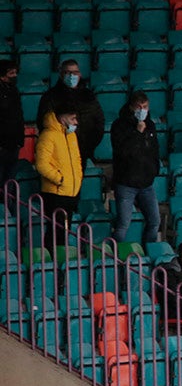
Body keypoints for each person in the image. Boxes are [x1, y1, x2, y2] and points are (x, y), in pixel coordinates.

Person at [110, 91, 160, 243]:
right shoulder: (119, 125)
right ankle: (113, 255)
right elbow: (123, 152)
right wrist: (138, 134)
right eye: (139, 107)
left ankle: (148, 253)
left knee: (154, 221)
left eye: (145, 106)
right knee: (123, 225)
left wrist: (154, 170)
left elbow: (154, 150)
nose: (142, 109)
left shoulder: (150, 124)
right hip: (126, 183)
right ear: (131, 107)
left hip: (147, 183)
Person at [36, 59, 105, 163]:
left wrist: (89, 147)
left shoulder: (88, 95)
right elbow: (43, 123)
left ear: (80, 74)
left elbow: (99, 120)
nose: (72, 75)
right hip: (60, 153)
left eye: (75, 72)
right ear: (61, 74)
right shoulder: (50, 96)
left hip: (83, 152)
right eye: (68, 72)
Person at [35, 103, 82, 253]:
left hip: (71, 192)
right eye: (73, 118)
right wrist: (60, 179)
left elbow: (77, 160)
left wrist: (77, 179)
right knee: (55, 232)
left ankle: (61, 263)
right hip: (55, 193)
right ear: (62, 117)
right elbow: (41, 164)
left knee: (64, 232)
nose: (76, 122)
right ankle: (52, 264)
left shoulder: (71, 136)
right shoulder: (48, 135)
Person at [0, 60, 24, 186]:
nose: (14, 76)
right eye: (11, 73)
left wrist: (20, 140)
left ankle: (7, 204)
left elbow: (19, 116)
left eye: (15, 73)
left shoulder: (14, 90)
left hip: (14, 143)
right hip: (2, 144)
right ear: (2, 76)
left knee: (9, 180)